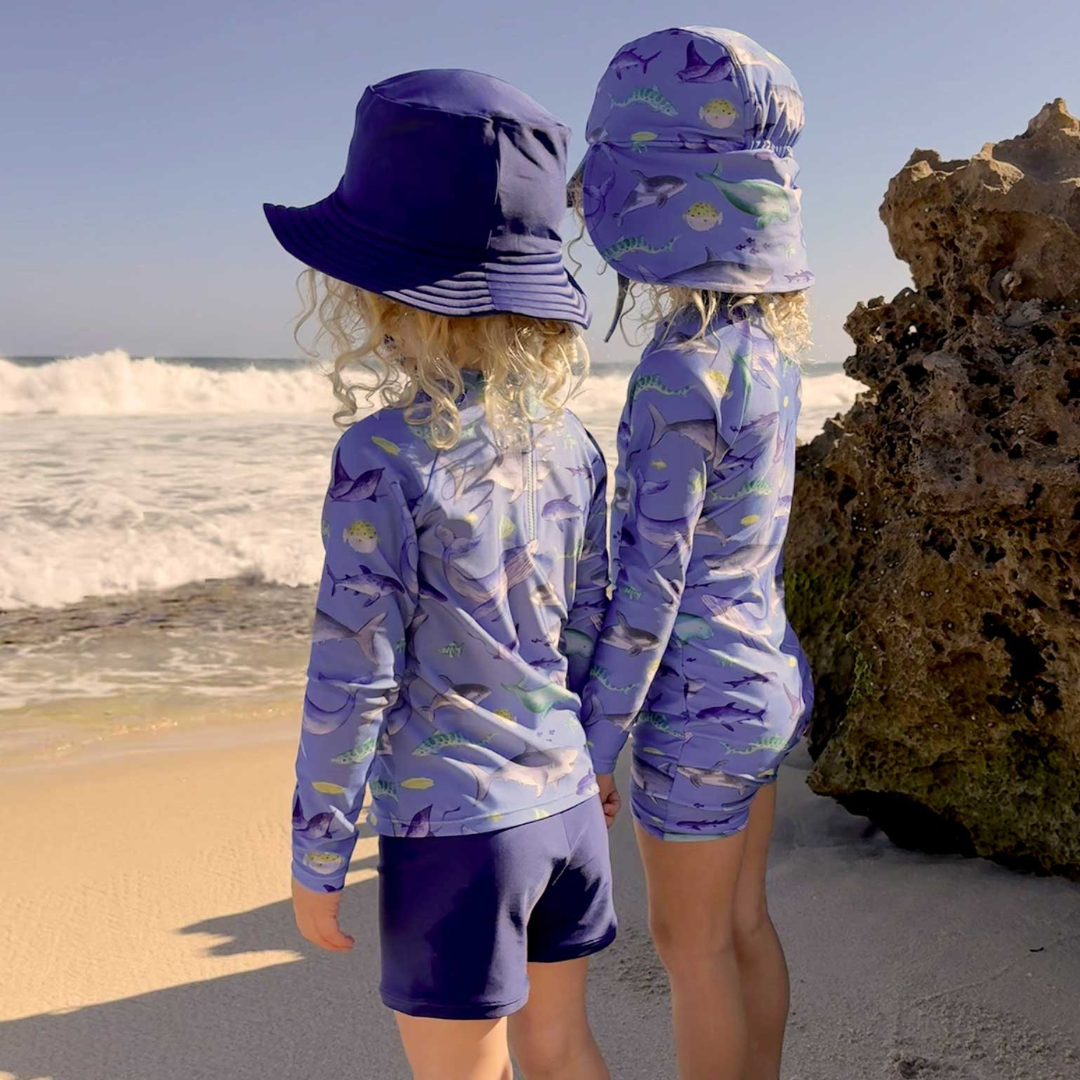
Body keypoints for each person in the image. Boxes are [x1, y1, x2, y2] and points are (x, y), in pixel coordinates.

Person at [265, 69, 615, 1080]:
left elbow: (354, 676)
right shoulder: (573, 444)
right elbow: (588, 619)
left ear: (379, 290)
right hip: (564, 809)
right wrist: (589, 758)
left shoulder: (381, 456)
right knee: (562, 1047)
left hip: (454, 829)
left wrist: (317, 854)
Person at [573, 28, 815, 1080]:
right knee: (746, 924)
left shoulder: (679, 373)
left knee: (691, 947)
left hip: (695, 705)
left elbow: (648, 591)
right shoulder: (769, 356)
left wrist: (591, 742)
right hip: (766, 671)